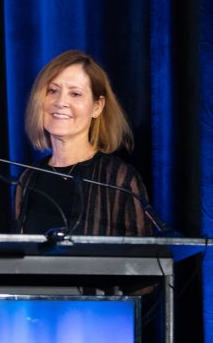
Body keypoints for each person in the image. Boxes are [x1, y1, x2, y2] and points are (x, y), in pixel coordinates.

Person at [14, 49, 156, 236]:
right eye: (52, 91)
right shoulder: (28, 178)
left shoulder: (119, 179)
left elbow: (141, 253)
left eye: (75, 94)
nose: (61, 102)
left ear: (97, 106)